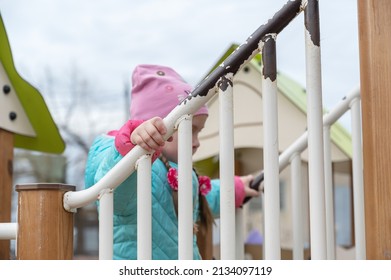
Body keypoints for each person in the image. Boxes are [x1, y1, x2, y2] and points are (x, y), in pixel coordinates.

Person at [84, 64, 260, 260]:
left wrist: (234, 189)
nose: (196, 142)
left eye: (198, 131)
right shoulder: (126, 158)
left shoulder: (177, 170)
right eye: (189, 129)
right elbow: (116, 195)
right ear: (156, 126)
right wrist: (130, 150)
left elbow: (199, 199)